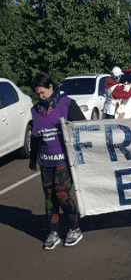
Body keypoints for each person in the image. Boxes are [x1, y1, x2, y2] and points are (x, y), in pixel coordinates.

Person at [29, 72, 86, 250]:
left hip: (63, 159)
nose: (41, 96)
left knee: (62, 194)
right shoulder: (36, 110)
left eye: (43, 92)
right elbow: (36, 136)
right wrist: (33, 159)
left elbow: (82, 127)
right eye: (38, 94)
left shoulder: (66, 104)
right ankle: (53, 233)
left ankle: (74, 228)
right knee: (49, 198)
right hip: (45, 161)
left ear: (51, 87)